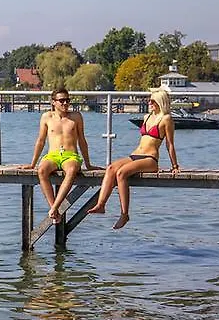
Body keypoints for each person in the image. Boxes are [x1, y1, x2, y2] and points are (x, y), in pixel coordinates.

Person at [90, 88, 179, 230]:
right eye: (149, 100)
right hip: (135, 154)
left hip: (150, 159)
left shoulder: (166, 119)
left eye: (152, 101)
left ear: (160, 102)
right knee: (112, 168)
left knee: (121, 173)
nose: (149, 103)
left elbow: (170, 144)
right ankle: (101, 204)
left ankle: (124, 214)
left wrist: (175, 166)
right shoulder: (147, 117)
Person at [23, 88, 100, 224]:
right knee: (42, 171)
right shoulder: (47, 117)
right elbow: (40, 141)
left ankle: (54, 208)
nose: (65, 103)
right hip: (52, 155)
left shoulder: (76, 116)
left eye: (67, 100)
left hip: (70, 156)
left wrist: (88, 164)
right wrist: (32, 164)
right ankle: (55, 210)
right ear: (54, 102)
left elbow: (82, 140)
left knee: (71, 171)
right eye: (61, 100)